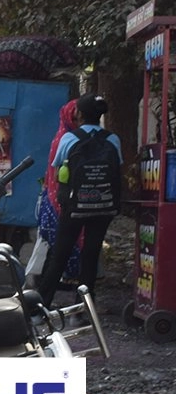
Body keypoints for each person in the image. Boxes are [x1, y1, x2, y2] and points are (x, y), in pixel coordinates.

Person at [37, 93, 122, 306]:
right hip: (104, 206)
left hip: (74, 206)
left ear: (80, 115)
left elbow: (58, 170)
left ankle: (41, 306)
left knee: (60, 253)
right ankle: (85, 305)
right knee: (91, 253)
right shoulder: (112, 139)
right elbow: (116, 170)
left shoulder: (69, 138)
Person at [33, 98, 84, 286]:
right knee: (59, 244)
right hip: (61, 199)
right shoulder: (66, 139)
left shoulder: (68, 137)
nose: (78, 122)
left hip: (65, 198)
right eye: (75, 117)